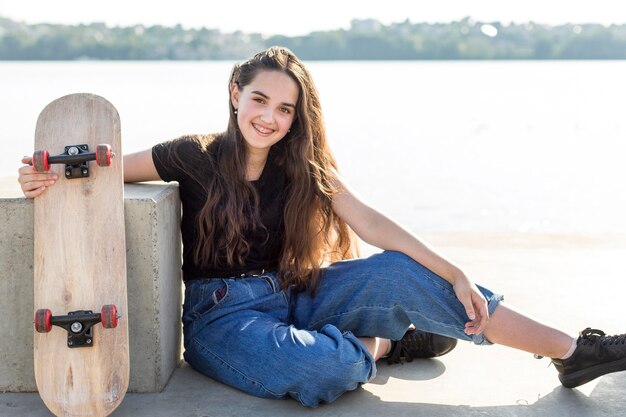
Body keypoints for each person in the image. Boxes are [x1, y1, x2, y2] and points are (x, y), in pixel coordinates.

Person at [18, 46, 626, 408]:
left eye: (285, 108)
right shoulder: (191, 153)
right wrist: (40, 177)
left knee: (399, 272)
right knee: (318, 370)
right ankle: (383, 345)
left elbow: (372, 223)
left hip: (299, 294)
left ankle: (575, 352)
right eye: (260, 101)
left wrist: (454, 270)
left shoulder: (301, 166)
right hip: (221, 319)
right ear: (235, 94)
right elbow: (100, 171)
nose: (270, 118)